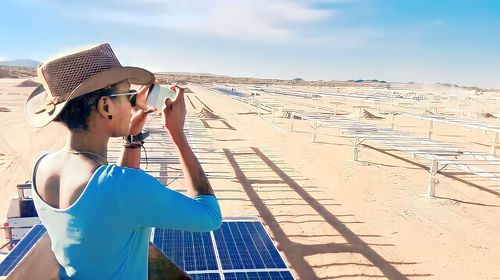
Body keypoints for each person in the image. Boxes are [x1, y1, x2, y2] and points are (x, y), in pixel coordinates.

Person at [24, 43, 222, 279]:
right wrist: (177, 134)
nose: (133, 104)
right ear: (106, 106)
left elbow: (111, 204)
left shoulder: (42, 164)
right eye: (128, 95)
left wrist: (133, 138)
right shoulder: (121, 186)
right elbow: (209, 217)